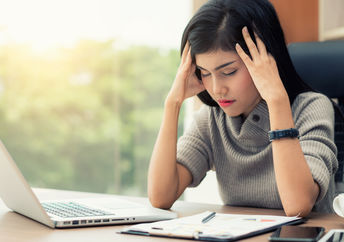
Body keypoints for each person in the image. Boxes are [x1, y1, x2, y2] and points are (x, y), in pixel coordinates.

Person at [147, 0, 338, 217]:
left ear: (265, 59)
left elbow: (298, 205)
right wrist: (172, 104)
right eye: (205, 73)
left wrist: (276, 100)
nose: (217, 89)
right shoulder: (213, 119)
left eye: (228, 72)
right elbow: (161, 197)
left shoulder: (311, 109)